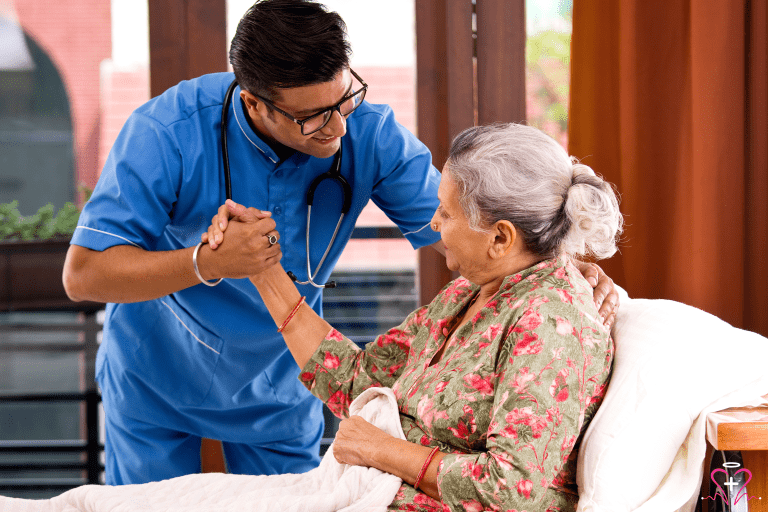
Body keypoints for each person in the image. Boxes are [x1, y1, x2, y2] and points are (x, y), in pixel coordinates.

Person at [61, 0, 618, 486]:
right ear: (256, 104)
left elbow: (471, 230)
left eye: (344, 98)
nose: (337, 129)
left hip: (281, 382)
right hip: (159, 375)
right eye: (312, 118)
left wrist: (557, 256)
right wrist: (207, 263)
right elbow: (84, 274)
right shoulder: (167, 132)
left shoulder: (368, 131)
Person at [212, 122, 622, 511]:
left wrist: (382, 450)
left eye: (446, 212)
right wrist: (263, 270)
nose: (433, 222)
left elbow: (512, 490)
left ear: (500, 237)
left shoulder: (551, 325)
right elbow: (358, 380)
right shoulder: (470, 291)